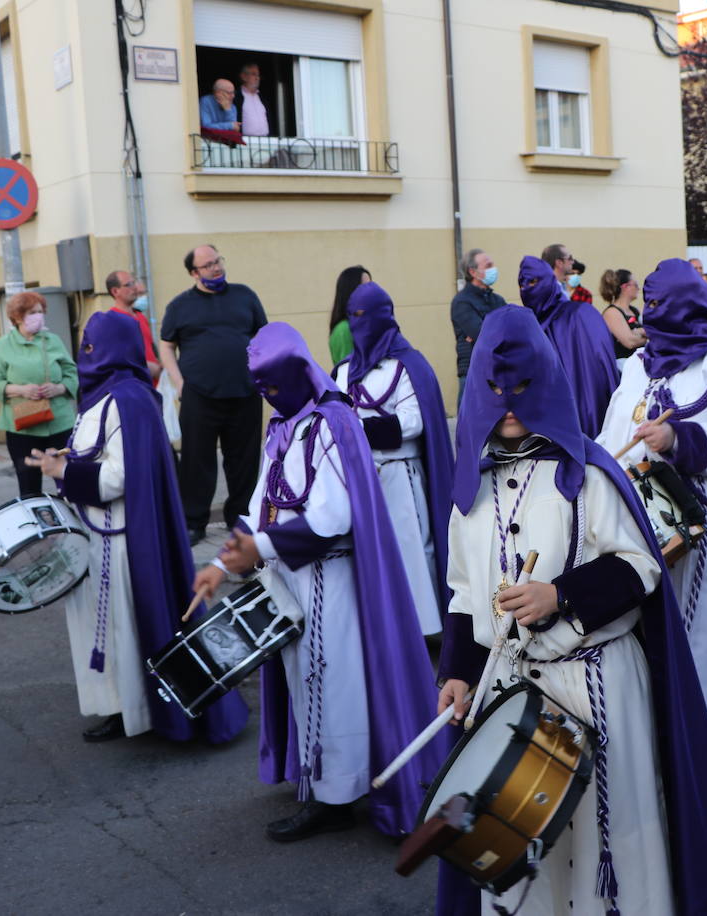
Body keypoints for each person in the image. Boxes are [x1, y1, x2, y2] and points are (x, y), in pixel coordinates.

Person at [435, 304, 707, 916]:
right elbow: (465, 598)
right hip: (513, 689)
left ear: (546, 379)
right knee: (521, 848)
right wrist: (457, 673)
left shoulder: (592, 472)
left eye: (522, 386)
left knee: (612, 838)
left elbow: (641, 567)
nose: (510, 402)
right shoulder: (470, 491)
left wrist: (560, 595)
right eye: (495, 389)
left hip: (596, 682)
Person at [192, 322, 442, 843]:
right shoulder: (284, 426)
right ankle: (324, 781)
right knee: (308, 681)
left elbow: (334, 517)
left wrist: (257, 549)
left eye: (275, 388)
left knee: (332, 685)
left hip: (333, 579)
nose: (269, 398)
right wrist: (221, 562)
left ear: (300, 374)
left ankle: (336, 794)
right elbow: (263, 501)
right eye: (262, 390)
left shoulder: (333, 423)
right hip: (293, 574)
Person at [25, 312, 249, 744]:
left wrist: (63, 471)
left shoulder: (129, 399)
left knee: (124, 629)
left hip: (124, 540)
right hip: (97, 533)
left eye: (92, 346)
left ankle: (142, 711)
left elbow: (120, 476)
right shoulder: (102, 396)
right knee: (106, 628)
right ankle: (120, 707)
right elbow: (95, 454)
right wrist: (63, 459)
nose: (84, 354)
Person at [597, 259, 707, 740]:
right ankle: (658, 731)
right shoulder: (636, 365)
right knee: (649, 623)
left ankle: (704, 733)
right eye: (647, 305)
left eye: (659, 305)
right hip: (644, 513)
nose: (650, 314)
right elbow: (614, 432)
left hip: (706, 515)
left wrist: (677, 439)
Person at [331, 281, 454, 636]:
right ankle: (380, 627)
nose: (359, 324)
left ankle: (425, 628)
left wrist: (357, 429)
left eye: (365, 316)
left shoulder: (409, 365)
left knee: (415, 550)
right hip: (358, 477)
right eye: (353, 316)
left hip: (401, 473)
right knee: (367, 553)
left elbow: (415, 421)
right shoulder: (343, 371)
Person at [158, 244, 267, 544]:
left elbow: (263, 336)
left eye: (218, 260)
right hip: (199, 395)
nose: (216, 268)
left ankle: (241, 519)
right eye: (208, 265)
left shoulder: (245, 296)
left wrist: (263, 373)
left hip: (245, 391)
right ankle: (194, 522)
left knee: (244, 460)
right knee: (196, 461)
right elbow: (166, 344)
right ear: (194, 273)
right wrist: (179, 383)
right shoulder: (180, 306)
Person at [0, 291, 78, 498]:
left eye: (41, 312)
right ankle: (38, 525)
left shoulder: (53, 340)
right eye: (33, 312)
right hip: (22, 427)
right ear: (17, 317)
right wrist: (21, 390)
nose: (39, 316)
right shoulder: (1, 346)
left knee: (70, 479)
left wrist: (59, 388)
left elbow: (72, 374)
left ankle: (75, 523)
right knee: (29, 486)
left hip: (60, 423)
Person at [518, 255, 618, 437]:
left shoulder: (581, 314)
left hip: (591, 411)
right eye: (522, 284)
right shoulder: (528, 327)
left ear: (548, 281)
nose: (527, 289)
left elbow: (602, 362)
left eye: (533, 281)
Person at [449, 248, 504, 408]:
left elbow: (511, 328)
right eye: (488, 265)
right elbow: (482, 334)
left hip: (499, 369)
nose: (493, 268)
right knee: (472, 426)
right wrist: (493, 331)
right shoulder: (462, 302)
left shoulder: (497, 299)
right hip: (473, 371)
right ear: (473, 272)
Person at [104, 270, 159, 384]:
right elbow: (118, 358)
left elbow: (150, 348)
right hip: (134, 388)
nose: (135, 288)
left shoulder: (140, 316)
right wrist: (147, 367)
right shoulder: (112, 320)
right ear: (115, 291)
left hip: (153, 387)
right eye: (129, 285)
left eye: (134, 283)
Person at [599, 267, 647, 361]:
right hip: (622, 367)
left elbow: (652, 330)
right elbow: (629, 342)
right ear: (625, 287)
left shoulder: (635, 310)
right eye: (635, 285)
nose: (638, 288)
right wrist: (646, 336)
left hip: (638, 364)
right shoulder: (612, 313)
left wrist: (639, 332)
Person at [327, 265, 371, 365]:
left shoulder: (365, 325)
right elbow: (350, 373)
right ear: (350, 291)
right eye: (365, 287)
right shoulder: (345, 329)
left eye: (371, 286)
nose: (371, 291)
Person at [234, 62, 271, 137]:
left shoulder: (262, 98)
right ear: (243, 77)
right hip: (245, 142)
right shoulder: (236, 96)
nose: (257, 78)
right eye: (254, 74)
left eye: (258, 75)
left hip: (266, 141)